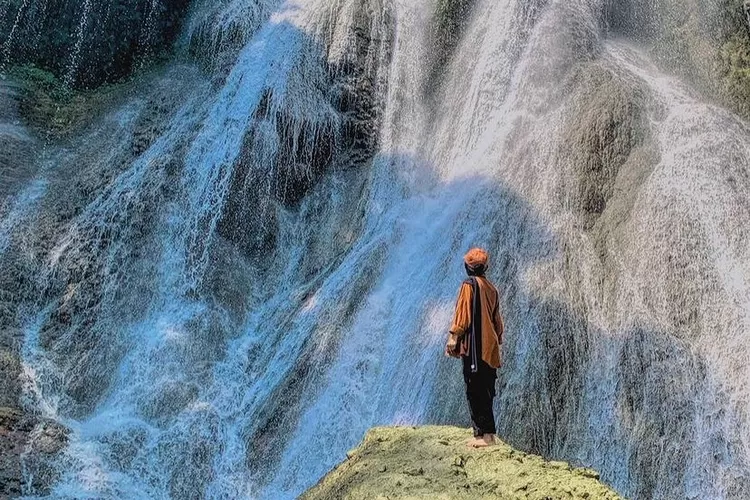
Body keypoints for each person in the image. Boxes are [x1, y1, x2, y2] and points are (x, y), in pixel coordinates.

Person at [445, 248, 504, 448]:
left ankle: (482, 436)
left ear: (468, 268)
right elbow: (498, 321)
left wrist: (453, 338)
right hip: (490, 347)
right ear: (485, 267)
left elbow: (463, 315)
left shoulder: (468, 285)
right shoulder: (492, 288)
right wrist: (498, 340)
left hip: (475, 347)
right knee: (487, 390)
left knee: (474, 389)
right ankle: (489, 434)